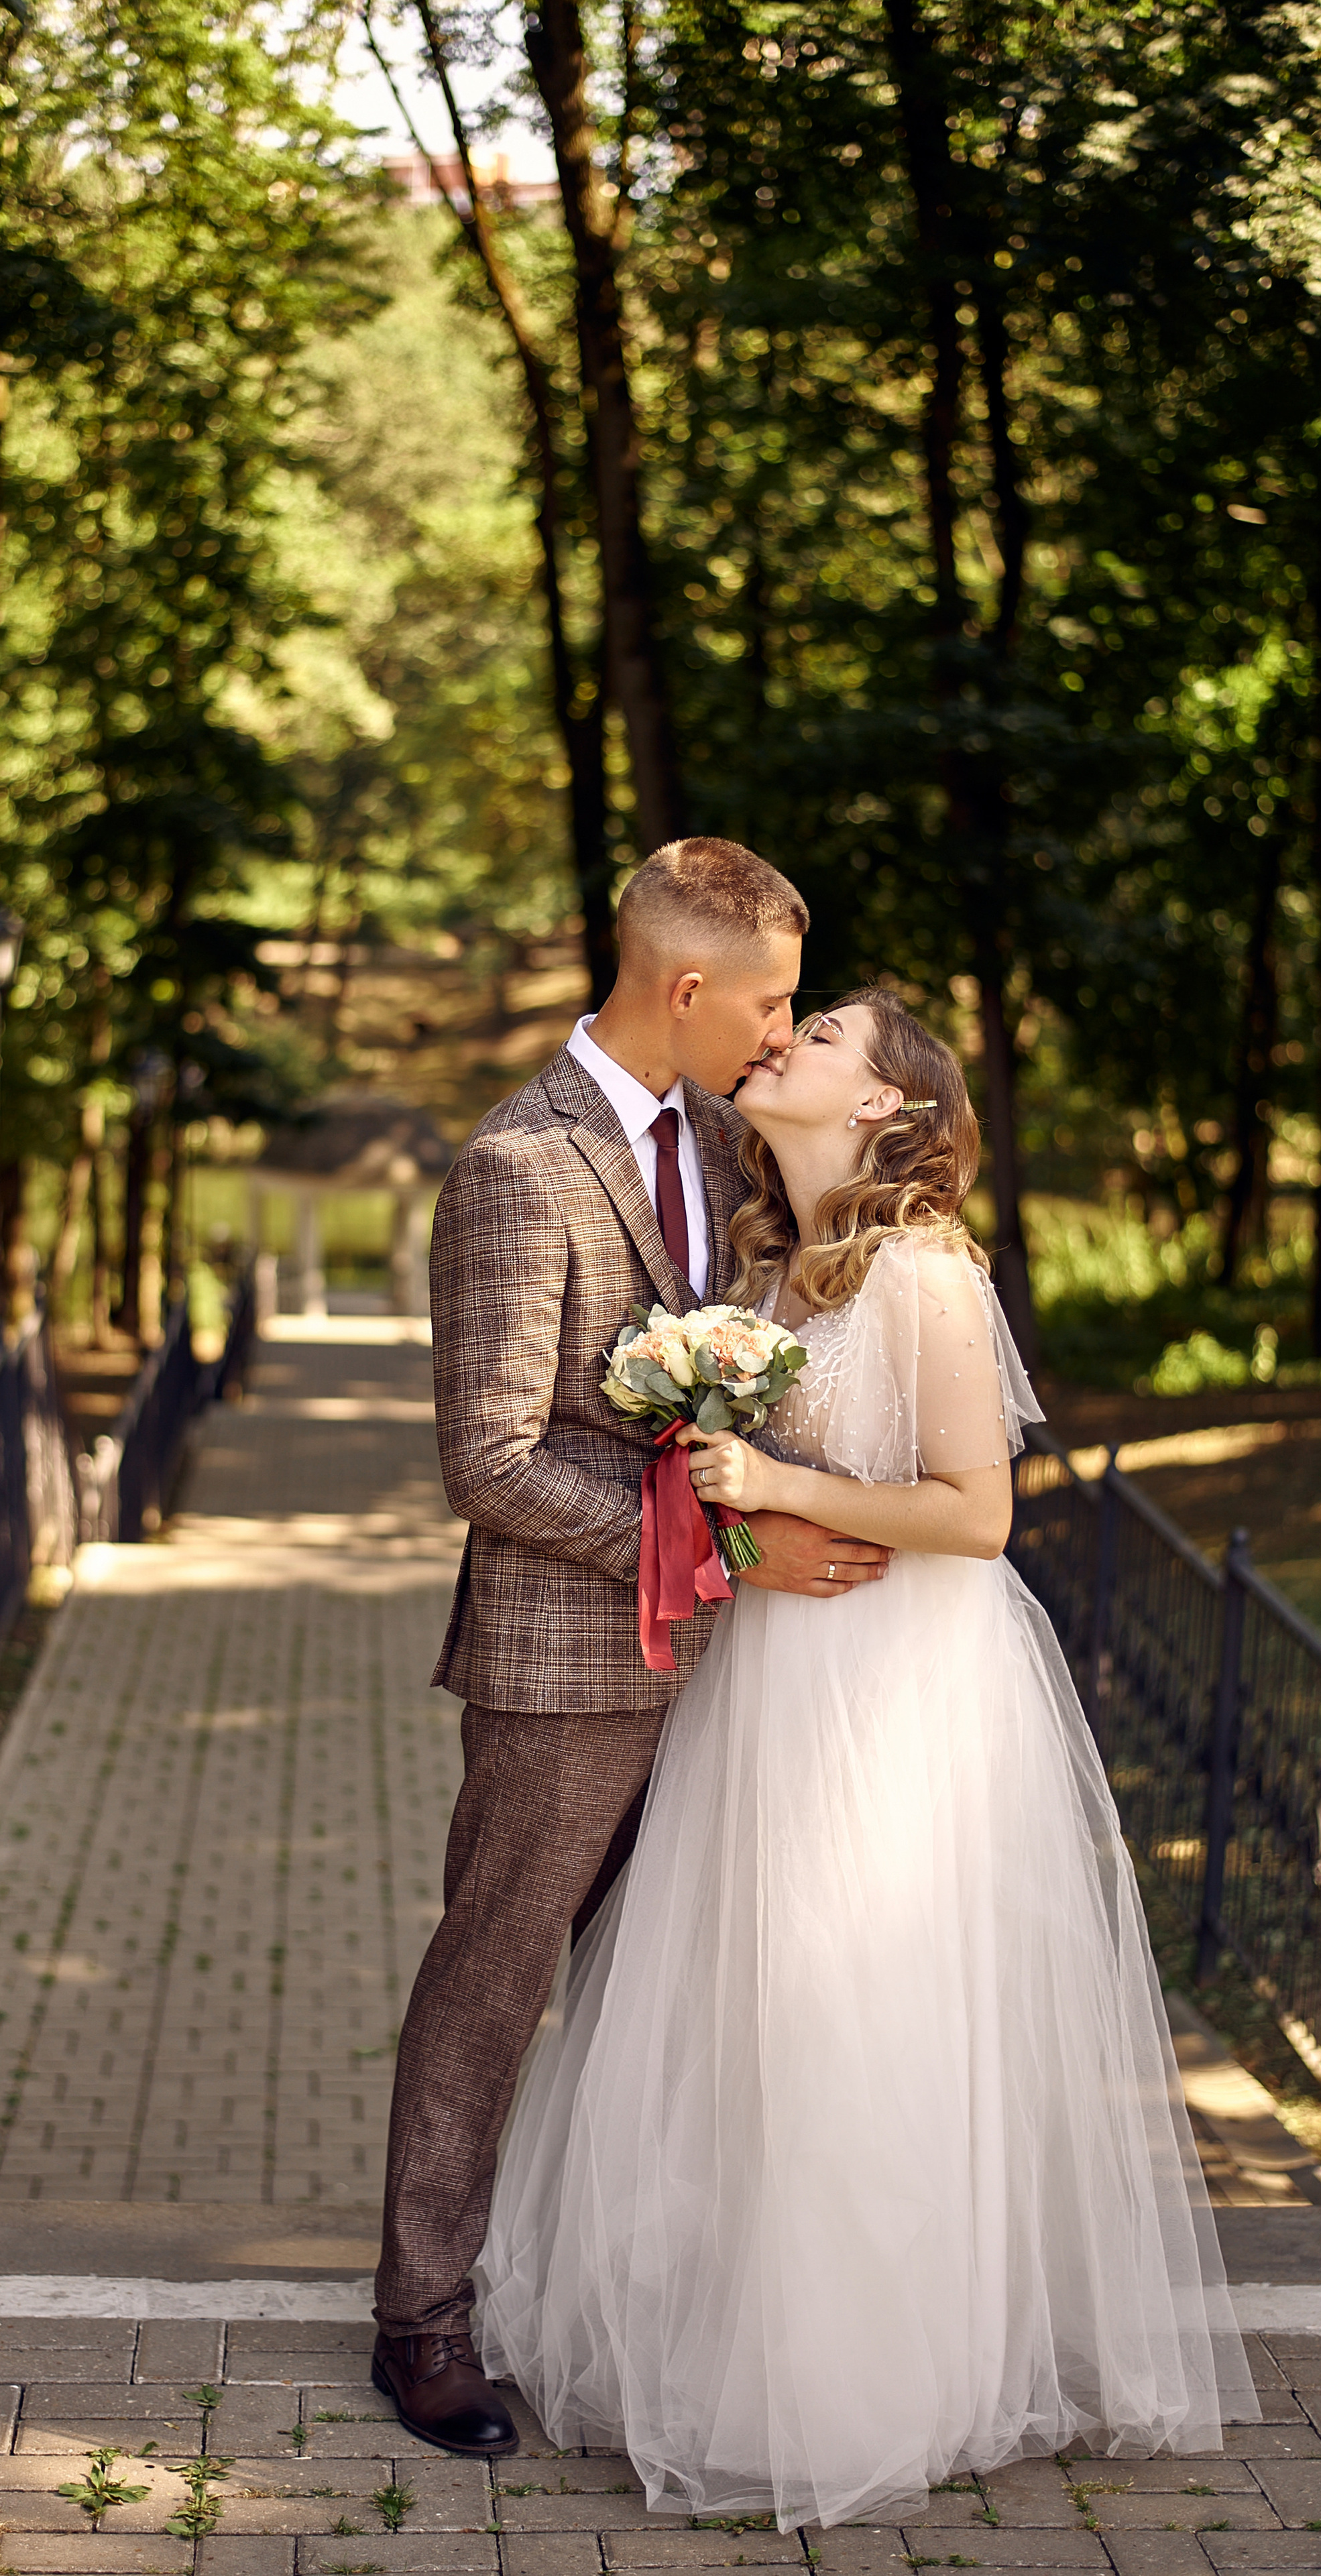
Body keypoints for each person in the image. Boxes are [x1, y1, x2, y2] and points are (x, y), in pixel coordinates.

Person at [475, 986, 1259, 2526]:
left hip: (888, 1688)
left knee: (849, 2007)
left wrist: (769, 1483)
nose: (785, 1041)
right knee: (749, 2007)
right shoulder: (764, 1272)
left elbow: (978, 1514)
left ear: (885, 1103)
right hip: (768, 1674)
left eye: (823, 1032)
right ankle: (738, 2340)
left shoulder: (923, 1271)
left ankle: (862, 2383)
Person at [370, 841, 892, 2459]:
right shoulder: (517, 1165)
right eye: (770, 1001)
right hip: (564, 1662)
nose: (781, 1027)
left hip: (737, 1671)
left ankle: (621, 2291)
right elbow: (490, 1462)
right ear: (684, 986)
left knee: (682, 1983)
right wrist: (721, 1549)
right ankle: (421, 2313)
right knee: (498, 1972)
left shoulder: (730, 1140)